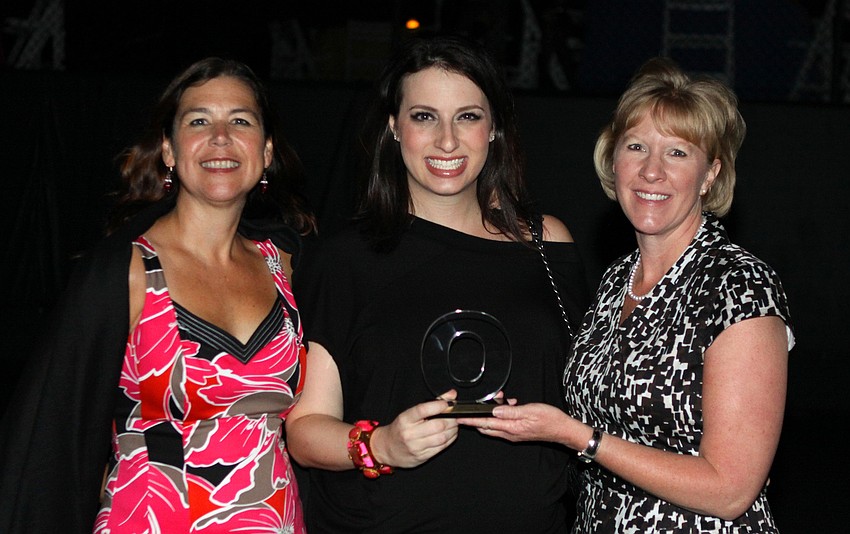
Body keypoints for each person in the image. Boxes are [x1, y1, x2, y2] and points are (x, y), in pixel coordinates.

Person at [461, 57, 795, 532]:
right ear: (612, 160)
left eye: (677, 153)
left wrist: (577, 436)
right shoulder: (618, 280)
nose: (651, 171)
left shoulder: (738, 286)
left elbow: (730, 490)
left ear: (711, 175)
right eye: (636, 147)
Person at [285, 34, 588, 533]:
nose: (447, 140)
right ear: (394, 128)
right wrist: (381, 445)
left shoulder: (546, 242)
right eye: (424, 116)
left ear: (494, 129)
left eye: (468, 116)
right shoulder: (345, 258)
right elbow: (305, 430)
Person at [0, 57, 316, 533]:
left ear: (267, 150)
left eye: (240, 121)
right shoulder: (123, 272)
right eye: (198, 121)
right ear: (169, 150)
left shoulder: (290, 266)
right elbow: (51, 436)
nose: (221, 138)